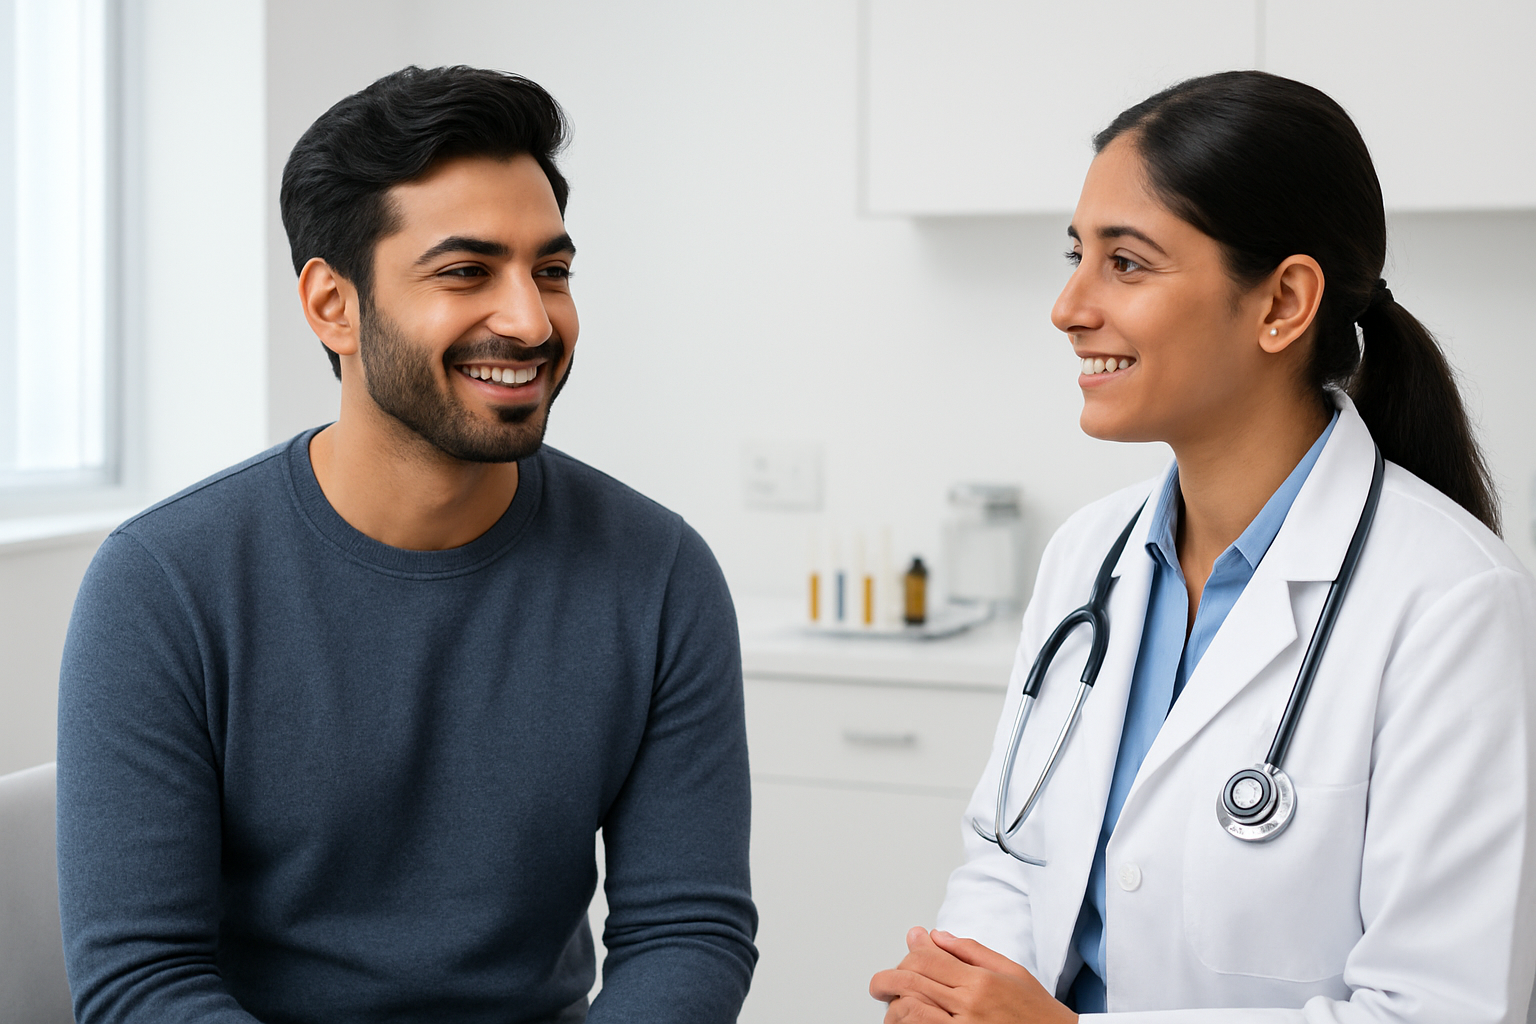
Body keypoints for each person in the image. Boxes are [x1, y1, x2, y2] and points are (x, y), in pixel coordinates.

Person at [56, 65, 757, 1024]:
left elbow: (688, 933)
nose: (531, 319)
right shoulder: (162, 584)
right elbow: (142, 981)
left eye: (551, 270)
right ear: (332, 306)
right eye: (467, 271)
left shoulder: (660, 572)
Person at [871, 70, 1536, 1022]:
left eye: (1127, 263)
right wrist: (953, 992)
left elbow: (1442, 1009)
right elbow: (1010, 860)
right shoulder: (1086, 559)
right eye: (1077, 253)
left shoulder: (1453, 603)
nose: (1068, 306)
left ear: (1282, 303)